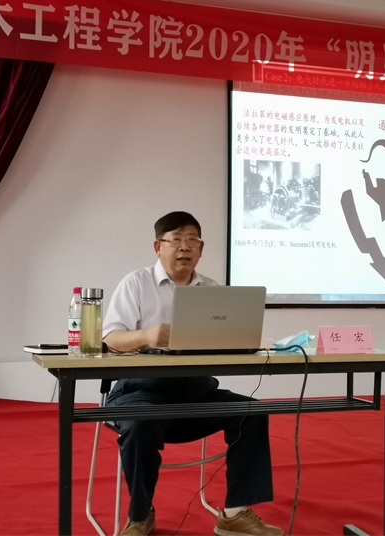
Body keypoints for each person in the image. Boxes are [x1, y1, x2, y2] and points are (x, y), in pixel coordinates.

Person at [103, 211, 282, 536]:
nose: (185, 247)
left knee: (252, 412)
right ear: (158, 246)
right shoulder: (136, 283)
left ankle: (233, 514)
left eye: (192, 240)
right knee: (139, 422)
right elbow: (110, 338)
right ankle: (140, 516)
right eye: (176, 240)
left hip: (197, 394)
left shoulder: (213, 290)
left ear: (201, 248)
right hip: (141, 392)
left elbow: (225, 344)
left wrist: (242, 343)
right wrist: (146, 336)